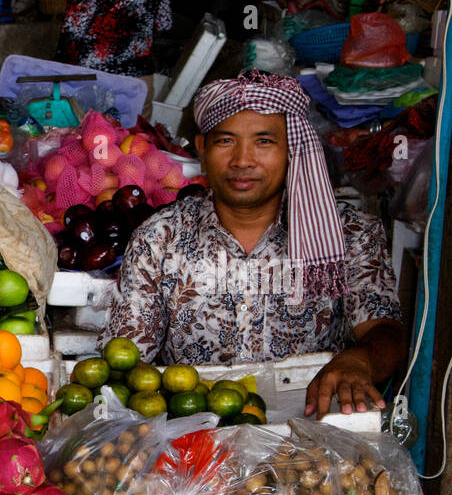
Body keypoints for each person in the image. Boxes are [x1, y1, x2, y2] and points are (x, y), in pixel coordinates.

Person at [101, 70, 405, 418]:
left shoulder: (348, 234)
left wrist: (360, 359)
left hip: (310, 437)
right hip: (194, 438)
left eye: (264, 141)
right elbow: (126, 358)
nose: (243, 160)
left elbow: (386, 331)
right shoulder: (159, 238)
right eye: (226, 141)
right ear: (201, 148)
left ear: (292, 147)